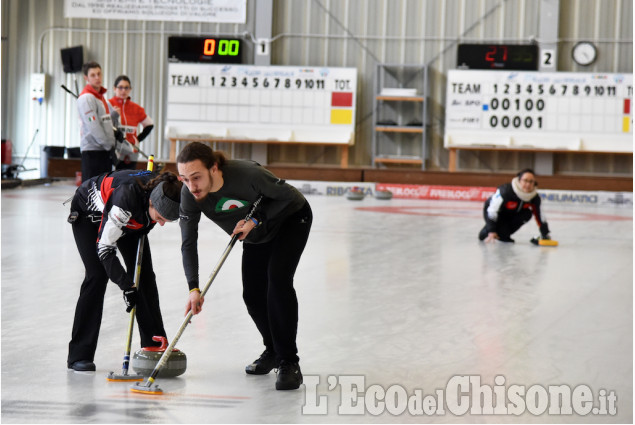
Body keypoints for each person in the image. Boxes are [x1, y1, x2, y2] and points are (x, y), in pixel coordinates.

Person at [176, 142, 312, 391]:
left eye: (196, 178)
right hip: (256, 234)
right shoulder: (189, 195)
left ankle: (288, 362)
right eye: (184, 179)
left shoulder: (248, 174)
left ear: (214, 168)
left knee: (278, 283)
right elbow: (188, 242)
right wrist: (193, 287)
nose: (191, 186)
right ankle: (272, 350)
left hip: (291, 219)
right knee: (252, 295)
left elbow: (291, 197)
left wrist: (257, 219)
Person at [67, 169, 183, 372]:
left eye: (167, 220)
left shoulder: (167, 189)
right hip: (89, 215)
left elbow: (155, 216)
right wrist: (126, 286)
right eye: (161, 217)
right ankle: (79, 354)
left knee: (144, 276)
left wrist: (133, 283)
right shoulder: (126, 198)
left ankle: (153, 346)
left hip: (132, 220)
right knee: (97, 275)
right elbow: (104, 248)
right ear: (151, 203)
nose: (162, 224)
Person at [478, 168, 551, 243]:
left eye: (531, 181)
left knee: (527, 213)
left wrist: (545, 233)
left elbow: (540, 216)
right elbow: (492, 210)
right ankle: (490, 231)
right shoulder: (506, 191)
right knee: (483, 236)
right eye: (525, 181)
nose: (528, 184)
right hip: (495, 214)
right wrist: (491, 230)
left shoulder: (534, 197)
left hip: (511, 215)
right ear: (519, 180)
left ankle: (504, 235)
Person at [77, 61, 119, 182]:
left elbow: (103, 122)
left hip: (103, 150)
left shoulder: (99, 97)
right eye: (93, 75)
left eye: (99, 74)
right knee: (92, 192)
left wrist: (113, 116)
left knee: (102, 190)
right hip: (93, 151)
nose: (97, 77)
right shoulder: (87, 98)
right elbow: (93, 126)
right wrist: (108, 145)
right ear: (86, 78)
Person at [109, 75, 154, 170]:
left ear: (130, 89)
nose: (123, 91)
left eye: (126, 88)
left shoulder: (137, 108)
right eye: (120, 87)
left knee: (128, 179)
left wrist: (137, 139)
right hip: (113, 150)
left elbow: (149, 125)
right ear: (114, 88)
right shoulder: (107, 104)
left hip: (131, 151)